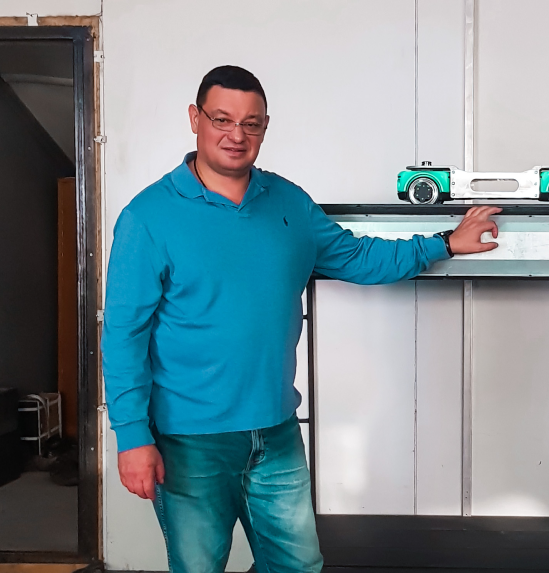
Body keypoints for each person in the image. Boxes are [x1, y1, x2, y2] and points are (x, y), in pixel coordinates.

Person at [102, 65, 500, 573]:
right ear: (195, 119)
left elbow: (357, 258)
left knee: (299, 565)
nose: (236, 135)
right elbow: (123, 336)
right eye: (222, 119)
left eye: (251, 123)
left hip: (275, 431)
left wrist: (444, 244)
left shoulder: (288, 202)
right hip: (188, 440)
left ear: (265, 127)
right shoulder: (148, 217)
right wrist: (132, 436)